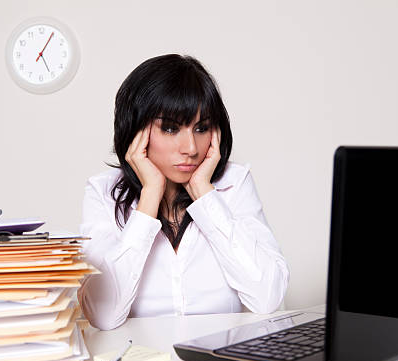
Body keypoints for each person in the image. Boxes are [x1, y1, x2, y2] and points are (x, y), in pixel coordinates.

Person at [77, 54, 289, 330]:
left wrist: (204, 193)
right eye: (170, 128)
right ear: (135, 129)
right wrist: (151, 196)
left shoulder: (234, 184)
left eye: (201, 128)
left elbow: (267, 297)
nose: (191, 147)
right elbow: (103, 316)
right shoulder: (103, 192)